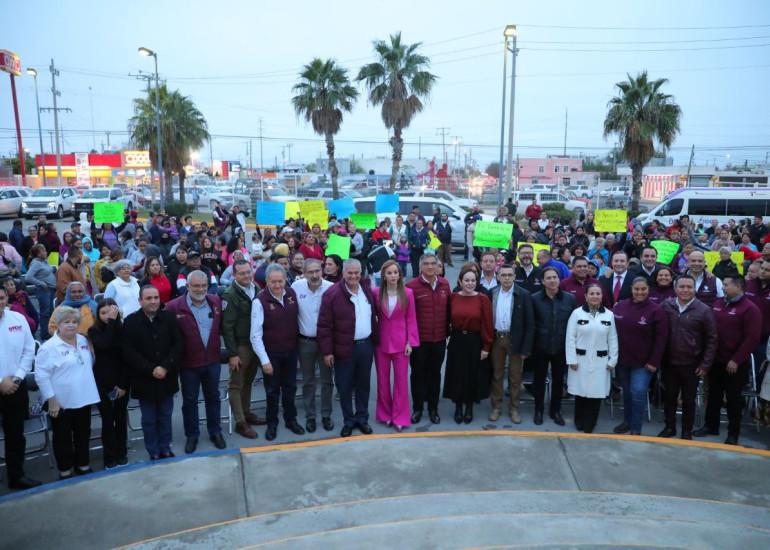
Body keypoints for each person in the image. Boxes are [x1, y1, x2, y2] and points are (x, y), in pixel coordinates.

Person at [35, 306, 100, 479]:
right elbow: (41, 376)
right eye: (66, 322)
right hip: (61, 401)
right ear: (58, 325)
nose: (71, 325)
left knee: (83, 433)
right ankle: (65, 470)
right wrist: (52, 400)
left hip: (84, 397)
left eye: (74, 322)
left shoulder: (83, 340)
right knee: (62, 437)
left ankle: (83, 464)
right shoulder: (48, 347)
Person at [695, 275, 761, 445]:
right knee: (713, 395)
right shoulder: (718, 303)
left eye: (726, 284)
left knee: (733, 399)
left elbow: (752, 338)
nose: (723, 287)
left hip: (734, 363)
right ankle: (711, 426)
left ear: (738, 287)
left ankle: (733, 433)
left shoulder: (750, 309)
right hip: (716, 359)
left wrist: (736, 360)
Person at [166, 271, 227, 453]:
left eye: (204, 286)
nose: (200, 289)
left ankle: (215, 432)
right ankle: (192, 435)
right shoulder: (173, 307)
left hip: (212, 361)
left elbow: (223, 328)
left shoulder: (216, 302)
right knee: (190, 401)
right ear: (188, 286)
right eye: (196, 286)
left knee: (213, 398)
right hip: (188, 364)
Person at [318, 259, 378, 437]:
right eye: (350, 273)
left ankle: (362, 418)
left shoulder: (366, 289)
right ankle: (349, 420)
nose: (353, 276)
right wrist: (327, 352)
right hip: (343, 348)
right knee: (344, 386)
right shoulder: (332, 294)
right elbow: (324, 326)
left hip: (365, 346)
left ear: (361, 273)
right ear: (343, 273)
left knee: (363, 385)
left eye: (357, 273)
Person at [122, 286, 183, 460]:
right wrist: (151, 369)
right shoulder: (131, 322)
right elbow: (129, 352)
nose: (153, 301)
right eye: (148, 298)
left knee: (165, 415)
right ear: (140, 301)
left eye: (156, 297)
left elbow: (178, 344)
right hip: (144, 379)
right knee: (149, 419)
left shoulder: (169, 317)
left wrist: (165, 367)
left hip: (166, 376)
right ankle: (153, 450)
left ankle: (165, 447)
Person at [250, 264, 306, 441]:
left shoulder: (291, 294)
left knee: (290, 388)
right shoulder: (259, 301)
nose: (277, 285)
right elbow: (255, 335)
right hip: (271, 354)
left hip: (291, 351)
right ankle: (272, 423)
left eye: (280, 281)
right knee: (272, 391)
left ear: (285, 280)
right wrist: (264, 361)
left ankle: (291, 420)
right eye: (273, 282)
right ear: (267, 281)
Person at [659, 275, 717, 440]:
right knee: (669, 397)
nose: (685, 290)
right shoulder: (666, 305)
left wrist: (705, 365)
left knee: (688, 399)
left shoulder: (704, 310)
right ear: (675, 288)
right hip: (669, 362)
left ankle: (686, 431)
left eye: (689, 287)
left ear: (695, 289)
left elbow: (712, 339)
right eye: (682, 287)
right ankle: (669, 427)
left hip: (692, 364)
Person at [612, 277, 668, 435]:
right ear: (631, 289)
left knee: (638, 392)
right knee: (627, 392)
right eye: (636, 289)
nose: (640, 292)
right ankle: (627, 422)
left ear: (648, 290)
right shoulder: (620, 306)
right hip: (622, 360)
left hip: (644, 363)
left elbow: (661, 339)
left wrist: (654, 362)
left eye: (643, 289)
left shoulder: (656, 310)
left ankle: (636, 428)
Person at [0, 286, 40, 490]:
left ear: (6, 298)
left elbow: (28, 349)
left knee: (15, 434)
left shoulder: (17, 318)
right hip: (3, 383)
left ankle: (17, 476)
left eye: (1, 298)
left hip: (16, 386)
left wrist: (17, 378)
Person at [373, 260, 419, 431]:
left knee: (401, 382)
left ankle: (400, 416)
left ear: (400, 275)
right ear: (384, 276)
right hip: (381, 343)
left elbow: (411, 319)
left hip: (401, 344)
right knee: (382, 381)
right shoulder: (376, 293)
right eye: (389, 273)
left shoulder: (408, 293)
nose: (393, 276)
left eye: (395, 272)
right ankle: (385, 414)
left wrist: (410, 342)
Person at [221, 260, 265, 439]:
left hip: (255, 343)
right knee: (236, 384)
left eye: (248, 271)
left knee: (248, 381)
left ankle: (246, 412)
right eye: (242, 273)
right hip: (241, 346)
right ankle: (240, 422)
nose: (246, 276)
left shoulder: (256, 287)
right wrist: (232, 353)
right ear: (234, 275)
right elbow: (227, 327)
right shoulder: (230, 295)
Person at [566, 284, 619, 433]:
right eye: (592, 293)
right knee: (581, 391)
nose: (595, 296)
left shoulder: (609, 315)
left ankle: (590, 422)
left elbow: (613, 339)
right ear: (586, 296)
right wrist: (572, 359)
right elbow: (570, 337)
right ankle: (579, 420)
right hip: (580, 360)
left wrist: (612, 360)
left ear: (602, 296)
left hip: (600, 361)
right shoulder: (577, 314)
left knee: (596, 393)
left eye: (598, 293)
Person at [444, 265, 493, 424]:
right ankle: (458, 406)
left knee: (472, 374)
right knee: (457, 374)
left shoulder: (482, 299)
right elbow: (447, 319)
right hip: (457, 340)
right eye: (467, 280)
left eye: (473, 280)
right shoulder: (453, 297)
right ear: (460, 281)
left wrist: (486, 346)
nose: (470, 283)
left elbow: (487, 324)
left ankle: (470, 407)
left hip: (475, 340)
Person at [406, 254, 450, 424]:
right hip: (419, 341)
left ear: (438, 266)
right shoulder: (411, 286)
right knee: (417, 375)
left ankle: (433, 409)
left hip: (439, 340)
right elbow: (407, 315)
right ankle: (417, 409)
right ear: (420, 266)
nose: (430, 267)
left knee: (435, 375)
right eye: (426, 264)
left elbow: (449, 309)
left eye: (433, 263)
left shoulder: (444, 284)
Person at [531, 266, 577, 425]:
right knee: (538, 381)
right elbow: (531, 324)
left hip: (561, 347)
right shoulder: (534, 299)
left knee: (558, 381)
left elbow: (574, 325)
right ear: (543, 281)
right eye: (548, 278)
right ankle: (538, 410)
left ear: (559, 279)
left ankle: (555, 411)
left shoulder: (570, 299)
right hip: (540, 347)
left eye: (554, 277)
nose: (552, 280)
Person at [292, 259, 335, 433]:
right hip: (305, 342)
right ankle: (310, 416)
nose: (315, 275)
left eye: (317, 271)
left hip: (326, 343)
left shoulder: (331, 288)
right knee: (308, 381)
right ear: (303, 273)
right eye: (310, 272)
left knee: (327, 380)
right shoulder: (296, 288)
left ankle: (326, 415)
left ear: (322, 271)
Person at [488, 264, 534, 423]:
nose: (506, 278)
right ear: (498, 277)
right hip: (497, 339)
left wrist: (526, 348)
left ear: (514, 277)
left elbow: (530, 324)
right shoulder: (492, 293)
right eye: (503, 275)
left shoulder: (524, 294)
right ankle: (496, 407)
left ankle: (514, 408)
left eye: (509, 275)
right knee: (497, 375)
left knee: (515, 377)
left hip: (515, 340)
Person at [88, 298, 129, 468]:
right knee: (107, 420)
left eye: (109, 312)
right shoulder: (94, 330)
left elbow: (127, 358)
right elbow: (105, 344)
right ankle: (109, 456)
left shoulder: (123, 329)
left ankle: (122, 453)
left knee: (120, 418)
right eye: (103, 313)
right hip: (102, 382)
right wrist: (112, 321)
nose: (106, 316)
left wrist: (123, 384)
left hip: (121, 380)